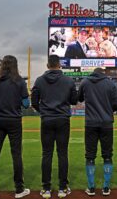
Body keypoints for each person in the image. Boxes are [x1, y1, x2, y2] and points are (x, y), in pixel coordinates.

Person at [0, 55, 30, 199]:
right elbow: (26, 104)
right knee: (16, 155)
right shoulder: (20, 81)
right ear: (15, 65)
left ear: (2, 65)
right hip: (14, 121)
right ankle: (19, 189)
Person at [31, 55, 78, 199]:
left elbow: (34, 102)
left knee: (47, 154)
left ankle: (46, 188)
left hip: (47, 120)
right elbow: (74, 101)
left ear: (47, 65)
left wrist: (44, 112)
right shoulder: (68, 80)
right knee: (62, 153)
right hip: (63, 119)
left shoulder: (39, 80)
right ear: (59, 65)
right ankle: (63, 188)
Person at [78, 68, 117, 196]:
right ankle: (106, 188)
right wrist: (109, 109)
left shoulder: (85, 82)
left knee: (90, 155)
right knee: (107, 155)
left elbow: (79, 98)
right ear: (103, 73)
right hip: (106, 123)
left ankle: (91, 188)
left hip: (91, 123)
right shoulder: (110, 83)